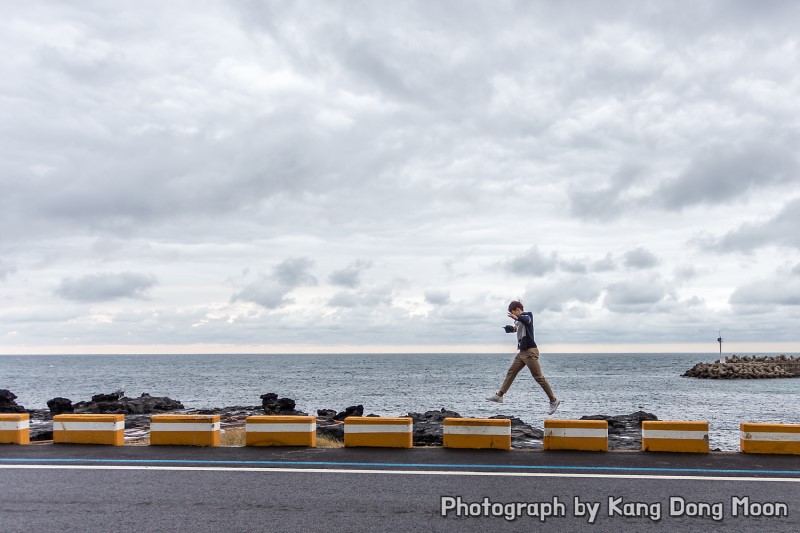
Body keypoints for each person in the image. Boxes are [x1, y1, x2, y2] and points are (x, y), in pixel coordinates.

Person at [486, 300, 561, 415]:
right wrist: (509, 329)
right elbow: (517, 328)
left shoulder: (528, 315)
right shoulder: (518, 321)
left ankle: (553, 400)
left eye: (513, 312)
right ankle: (499, 396)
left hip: (530, 352)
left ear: (517, 309)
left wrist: (517, 317)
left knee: (538, 377)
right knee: (511, 372)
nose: (513, 315)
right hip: (522, 353)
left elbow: (526, 320)